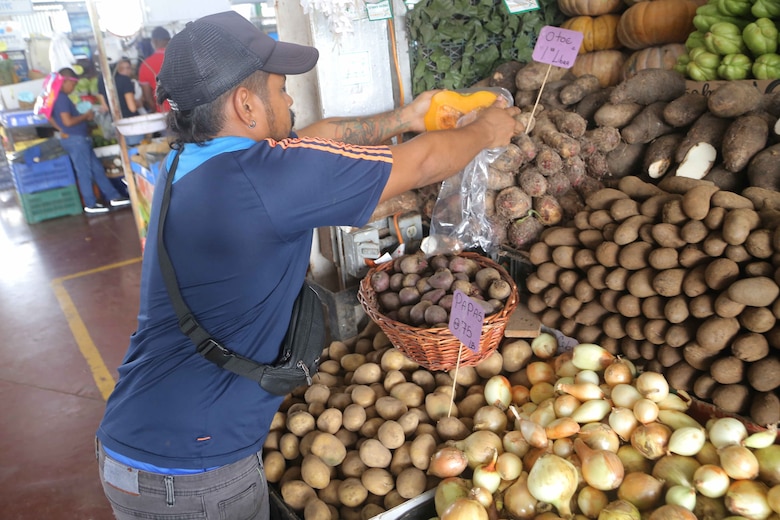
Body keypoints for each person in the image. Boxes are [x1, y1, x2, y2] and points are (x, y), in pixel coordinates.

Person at [95, 10, 521, 520]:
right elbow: (425, 163)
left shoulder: (188, 162)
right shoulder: (261, 181)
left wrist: (408, 117)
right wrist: (487, 131)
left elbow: (317, 137)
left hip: (143, 439)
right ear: (246, 104)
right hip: (194, 470)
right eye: (280, 89)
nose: (290, 100)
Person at [50, 67, 130, 215]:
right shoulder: (61, 98)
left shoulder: (56, 97)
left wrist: (61, 130)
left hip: (77, 139)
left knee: (97, 169)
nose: (73, 88)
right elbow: (67, 122)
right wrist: (85, 116)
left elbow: (50, 117)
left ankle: (113, 197)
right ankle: (90, 204)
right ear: (66, 81)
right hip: (76, 141)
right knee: (85, 172)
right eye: (72, 85)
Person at [97, 57, 145, 146]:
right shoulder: (125, 80)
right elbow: (132, 108)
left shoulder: (101, 81)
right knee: (138, 152)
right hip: (131, 124)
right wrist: (139, 102)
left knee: (125, 152)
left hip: (117, 124)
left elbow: (105, 107)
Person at [138, 26, 171, 113]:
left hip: (163, 114)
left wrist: (155, 111)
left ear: (154, 41)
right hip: (186, 114)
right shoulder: (182, 58)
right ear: (169, 40)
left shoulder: (146, 65)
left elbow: (148, 97)